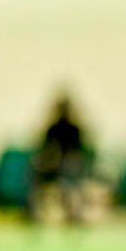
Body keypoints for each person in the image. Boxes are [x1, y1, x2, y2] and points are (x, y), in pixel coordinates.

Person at [32, 92, 89, 223]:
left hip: (71, 168)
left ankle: (74, 213)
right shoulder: (52, 129)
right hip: (53, 166)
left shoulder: (75, 130)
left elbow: (80, 153)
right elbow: (44, 149)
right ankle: (34, 211)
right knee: (34, 173)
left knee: (71, 172)